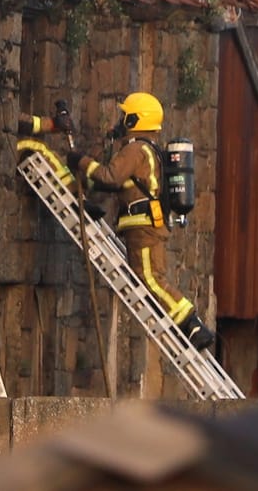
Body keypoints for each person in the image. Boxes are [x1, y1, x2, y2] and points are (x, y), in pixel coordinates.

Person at [66, 92, 215, 351]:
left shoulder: (136, 150)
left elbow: (110, 176)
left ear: (136, 119)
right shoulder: (148, 150)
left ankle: (192, 325)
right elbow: (121, 184)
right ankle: (190, 324)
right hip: (146, 227)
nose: (121, 120)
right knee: (148, 277)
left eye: (125, 116)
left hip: (144, 228)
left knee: (151, 279)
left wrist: (81, 161)